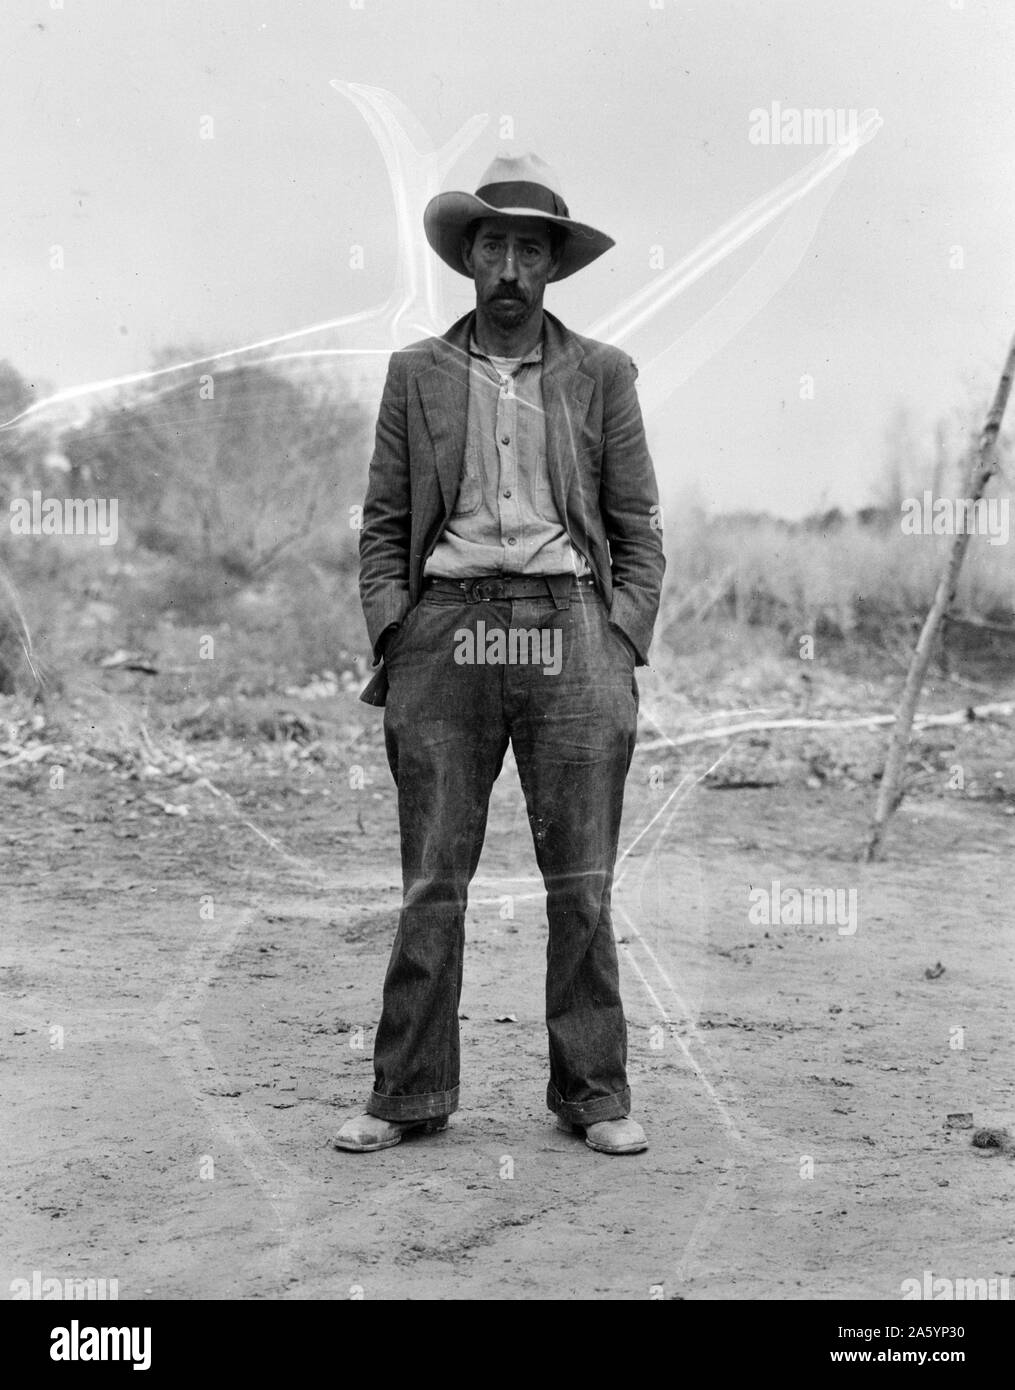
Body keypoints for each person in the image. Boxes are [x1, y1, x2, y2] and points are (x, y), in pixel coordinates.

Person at [333, 152, 665, 1156]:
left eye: (530, 248)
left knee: (582, 880)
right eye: (494, 246)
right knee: (433, 879)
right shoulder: (416, 374)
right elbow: (383, 523)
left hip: (569, 629)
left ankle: (594, 1094)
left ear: (552, 266)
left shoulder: (601, 374)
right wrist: (398, 627)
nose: (511, 266)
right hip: (448, 629)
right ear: (467, 260)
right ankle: (407, 1095)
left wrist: (619, 636)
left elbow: (638, 525)